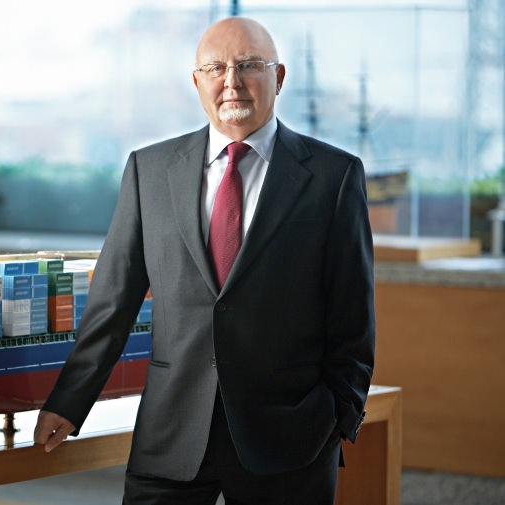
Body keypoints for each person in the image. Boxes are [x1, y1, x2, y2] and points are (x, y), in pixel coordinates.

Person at [34, 16, 375, 505]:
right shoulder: (149, 171)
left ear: (279, 77)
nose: (231, 81)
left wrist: (339, 414)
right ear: (197, 82)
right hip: (171, 429)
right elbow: (113, 303)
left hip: (290, 438)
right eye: (216, 68)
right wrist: (70, 400)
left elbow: (352, 314)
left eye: (249, 65)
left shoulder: (333, 176)